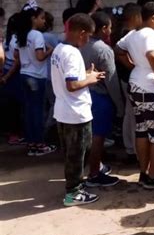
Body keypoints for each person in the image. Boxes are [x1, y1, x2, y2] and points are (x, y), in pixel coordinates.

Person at [116, 2, 154, 189]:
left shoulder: (133, 34)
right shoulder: (150, 34)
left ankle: (144, 172)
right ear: (153, 17)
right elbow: (153, 55)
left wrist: (133, 66)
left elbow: (118, 49)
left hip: (136, 86)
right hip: (152, 89)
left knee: (142, 131)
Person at [51, 13, 106, 206]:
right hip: (75, 113)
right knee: (77, 155)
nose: (88, 39)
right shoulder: (72, 53)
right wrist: (91, 79)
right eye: (88, 35)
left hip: (63, 111)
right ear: (81, 33)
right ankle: (73, 193)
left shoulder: (59, 49)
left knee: (72, 153)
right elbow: (72, 85)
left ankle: (75, 187)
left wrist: (86, 74)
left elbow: (70, 77)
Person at [81, 11, 122, 187]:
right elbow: (111, 80)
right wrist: (120, 105)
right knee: (98, 137)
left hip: (82, 94)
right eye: (110, 27)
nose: (111, 31)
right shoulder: (103, 50)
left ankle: (94, 166)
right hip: (99, 96)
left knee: (87, 135)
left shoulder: (78, 45)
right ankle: (94, 174)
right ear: (104, 28)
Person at [15, 0, 55, 156]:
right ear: (33, 18)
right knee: (38, 111)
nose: (43, 21)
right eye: (42, 18)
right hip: (36, 77)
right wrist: (50, 51)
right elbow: (39, 57)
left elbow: (17, 55)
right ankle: (39, 144)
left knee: (29, 111)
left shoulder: (21, 34)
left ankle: (31, 143)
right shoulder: (37, 35)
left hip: (24, 74)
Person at [115, 3, 143, 162]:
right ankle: (134, 150)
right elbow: (118, 53)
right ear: (135, 17)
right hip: (129, 78)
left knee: (129, 113)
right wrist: (134, 66)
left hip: (125, 78)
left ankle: (130, 147)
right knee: (134, 116)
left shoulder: (122, 32)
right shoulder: (128, 34)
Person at [0, 13, 23, 144]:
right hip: (12, 75)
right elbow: (16, 61)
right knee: (15, 105)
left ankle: (10, 132)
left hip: (6, 73)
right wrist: (8, 76)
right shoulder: (16, 39)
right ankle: (14, 135)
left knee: (9, 104)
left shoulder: (7, 38)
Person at [42, 12, 60, 132]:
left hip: (41, 74)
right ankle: (47, 128)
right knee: (54, 103)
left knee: (45, 104)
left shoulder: (36, 36)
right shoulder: (51, 37)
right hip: (51, 74)